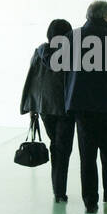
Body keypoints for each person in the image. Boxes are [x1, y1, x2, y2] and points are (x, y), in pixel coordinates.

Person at [65, 0, 107, 213]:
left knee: (87, 155)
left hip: (82, 107)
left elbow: (62, 72)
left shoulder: (72, 38)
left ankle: (90, 201)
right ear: (104, 16)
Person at [20, 19, 75, 203]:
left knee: (56, 146)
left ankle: (58, 190)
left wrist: (32, 107)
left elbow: (33, 79)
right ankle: (59, 191)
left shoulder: (39, 52)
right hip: (65, 108)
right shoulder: (70, 54)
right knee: (63, 149)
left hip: (45, 108)